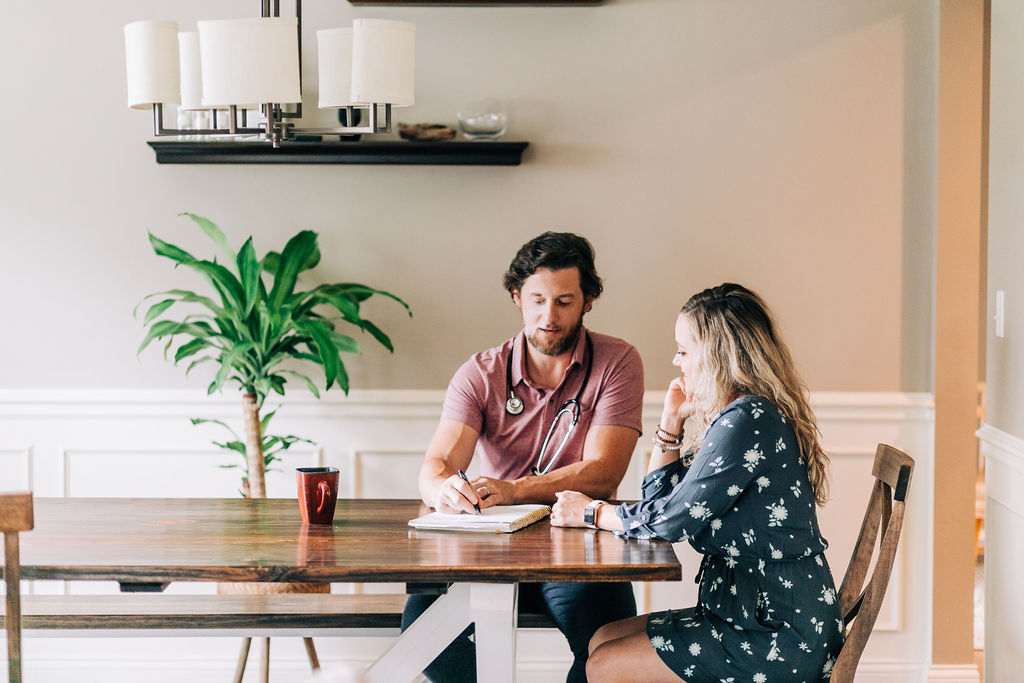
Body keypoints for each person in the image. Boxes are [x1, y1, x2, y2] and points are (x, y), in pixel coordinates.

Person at [551, 283, 844, 683]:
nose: (677, 360)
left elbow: (671, 521)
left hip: (776, 631)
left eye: (685, 350)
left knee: (604, 664)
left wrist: (592, 512)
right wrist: (671, 424)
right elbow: (664, 500)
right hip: (745, 614)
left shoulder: (748, 418)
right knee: (600, 640)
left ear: (719, 355)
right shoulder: (740, 414)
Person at [402, 231, 645, 683]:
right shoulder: (480, 373)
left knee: (612, 653)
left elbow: (603, 472)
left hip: (578, 549)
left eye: (564, 301)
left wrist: (513, 490)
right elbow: (435, 466)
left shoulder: (618, 362)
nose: (548, 317)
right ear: (517, 297)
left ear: (588, 300)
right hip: (489, 547)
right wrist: (445, 488)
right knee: (424, 629)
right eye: (536, 300)